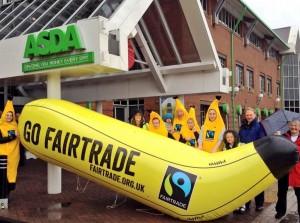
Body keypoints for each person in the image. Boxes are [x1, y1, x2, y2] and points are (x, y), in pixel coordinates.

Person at [239, 107, 266, 212]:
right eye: (247, 115)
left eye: (251, 115)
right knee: (247, 182)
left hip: (255, 157)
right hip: (245, 158)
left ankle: (259, 203)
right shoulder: (242, 127)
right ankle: (247, 202)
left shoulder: (259, 127)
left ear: (255, 115)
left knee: (257, 182)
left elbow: (261, 140)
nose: (249, 117)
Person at [274, 119, 300, 219]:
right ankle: (280, 211)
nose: (293, 127)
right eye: (292, 125)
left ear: (299, 128)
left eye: (296, 126)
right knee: (281, 192)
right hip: (284, 169)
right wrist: (277, 139)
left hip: (297, 170)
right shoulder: (283, 137)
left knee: (299, 194)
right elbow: (278, 150)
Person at [0, 97, 20, 198]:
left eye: (10, 115)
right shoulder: (0, 126)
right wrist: (12, 137)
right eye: (7, 115)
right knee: (2, 176)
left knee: (11, 175)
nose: (8, 117)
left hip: (13, 156)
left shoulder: (16, 126)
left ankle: (6, 196)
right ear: (4, 115)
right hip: (2, 156)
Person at [223, 129, 246, 214]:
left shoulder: (241, 145)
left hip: (240, 170)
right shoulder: (225, 148)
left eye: (231, 137)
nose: (229, 138)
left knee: (241, 189)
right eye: (227, 137)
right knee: (234, 189)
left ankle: (243, 205)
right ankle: (236, 206)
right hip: (231, 172)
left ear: (235, 137)